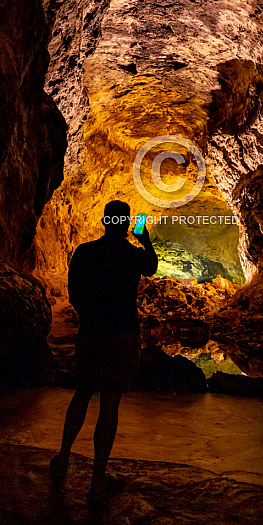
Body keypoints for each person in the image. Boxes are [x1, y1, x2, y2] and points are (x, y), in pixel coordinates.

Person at [50, 200, 158, 500]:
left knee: (82, 394)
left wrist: (90, 317)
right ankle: (98, 478)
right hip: (123, 334)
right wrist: (145, 238)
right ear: (125, 225)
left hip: (92, 333)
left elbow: (74, 294)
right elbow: (152, 267)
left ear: (104, 222)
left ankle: (62, 457)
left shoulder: (85, 252)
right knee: (110, 404)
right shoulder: (133, 254)